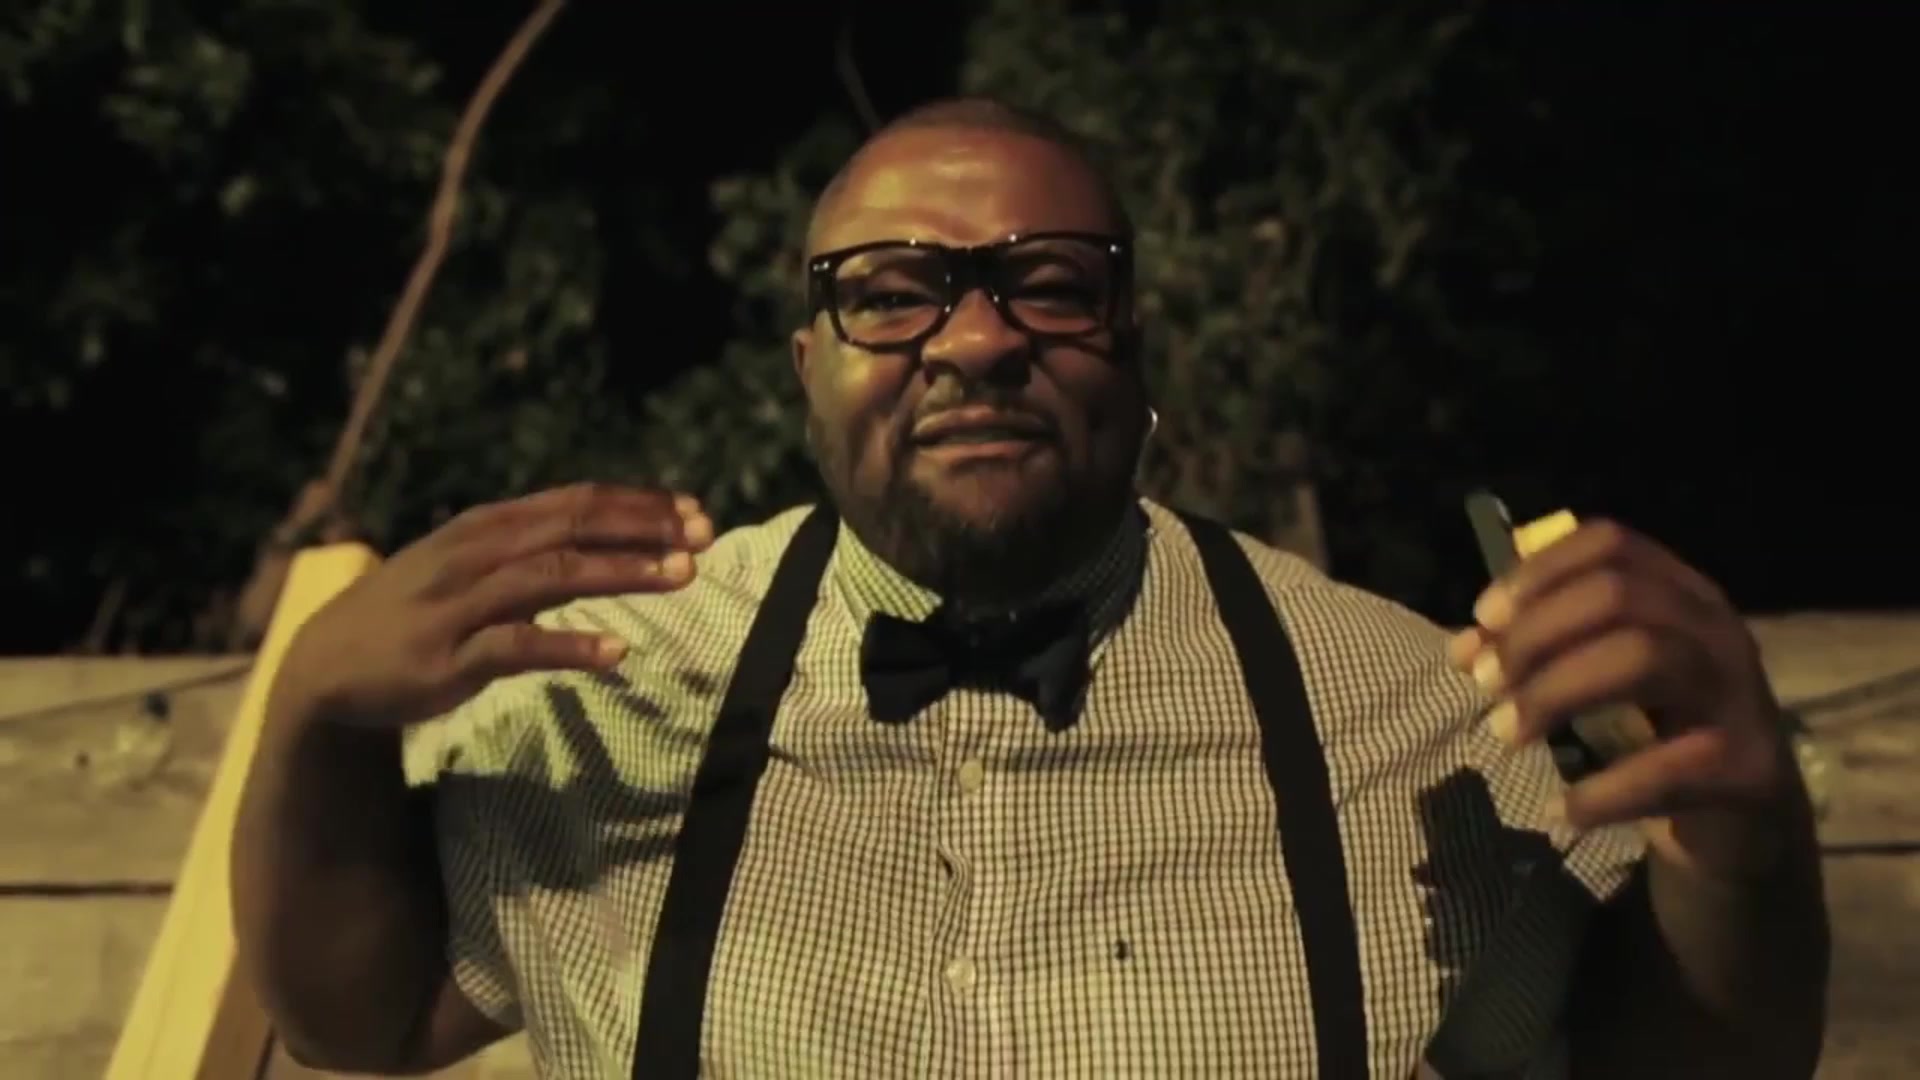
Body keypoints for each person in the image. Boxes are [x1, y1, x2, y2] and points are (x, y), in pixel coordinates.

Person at [232, 97, 1829, 1079]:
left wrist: (1746, 852)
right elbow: (360, 1022)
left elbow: (1658, 1065)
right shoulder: (611, 681)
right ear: (807, 368)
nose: (979, 340)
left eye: (1050, 285)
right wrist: (313, 722)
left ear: (1134, 354)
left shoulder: (1400, 702)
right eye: (894, 292)